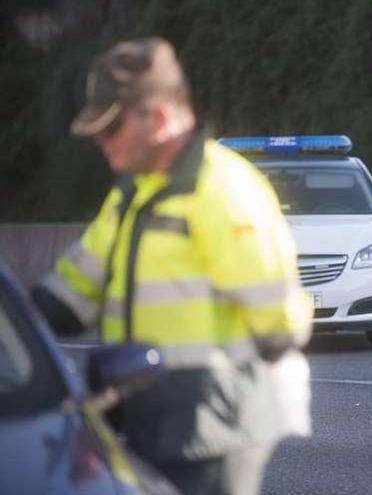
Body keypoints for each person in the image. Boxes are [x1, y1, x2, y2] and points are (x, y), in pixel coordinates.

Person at [31, 37, 312, 494]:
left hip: (210, 430)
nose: (100, 142)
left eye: (111, 127)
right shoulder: (133, 192)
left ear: (159, 118)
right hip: (144, 420)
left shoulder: (223, 191)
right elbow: (70, 292)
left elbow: (280, 326)